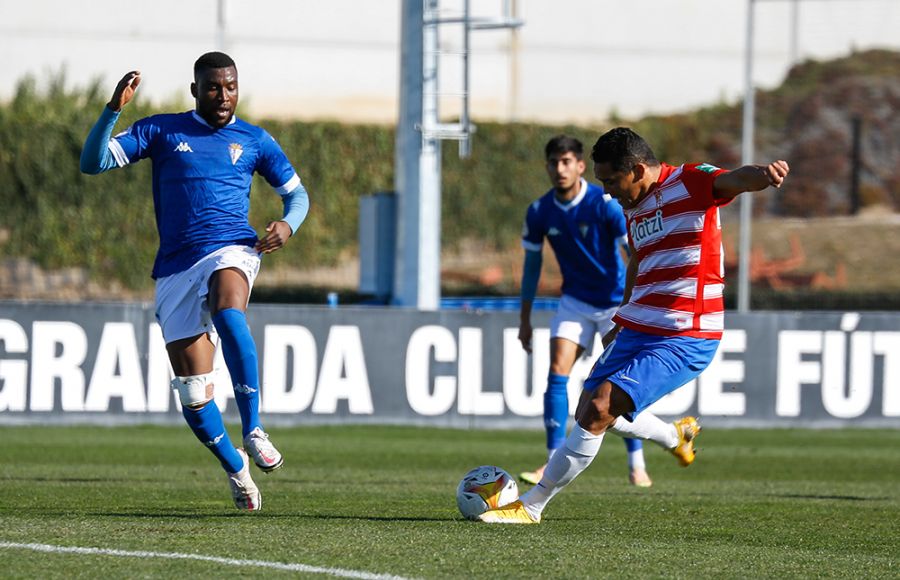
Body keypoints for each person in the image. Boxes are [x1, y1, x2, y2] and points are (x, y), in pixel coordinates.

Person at [479, 127, 789, 523]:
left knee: (600, 408)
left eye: (611, 180)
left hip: (686, 331)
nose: (607, 191)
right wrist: (623, 317)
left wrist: (764, 174)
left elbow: (733, 179)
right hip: (639, 323)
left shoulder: (692, 181)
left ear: (638, 169)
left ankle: (531, 506)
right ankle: (676, 436)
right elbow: (638, 262)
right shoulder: (633, 205)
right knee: (588, 409)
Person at [80, 52, 310, 511]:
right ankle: (236, 466)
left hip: (232, 249)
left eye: (230, 87)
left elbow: (296, 195)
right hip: (176, 269)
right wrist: (113, 110)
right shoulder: (163, 130)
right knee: (193, 394)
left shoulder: (256, 140)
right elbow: (94, 162)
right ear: (195, 90)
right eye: (213, 88)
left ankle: (254, 428)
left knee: (229, 313)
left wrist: (288, 225)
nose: (223, 96)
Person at [518, 135, 700, 489]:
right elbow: (531, 267)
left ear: (580, 166)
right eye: (554, 162)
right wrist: (524, 319)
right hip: (574, 300)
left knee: (616, 386)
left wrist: (633, 307)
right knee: (558, 370)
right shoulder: (540, 211)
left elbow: (635, 253)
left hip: (615, 302)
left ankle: (637, 463)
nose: (560, 169)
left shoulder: (604, 204)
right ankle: (551, 458)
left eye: (567, 161)